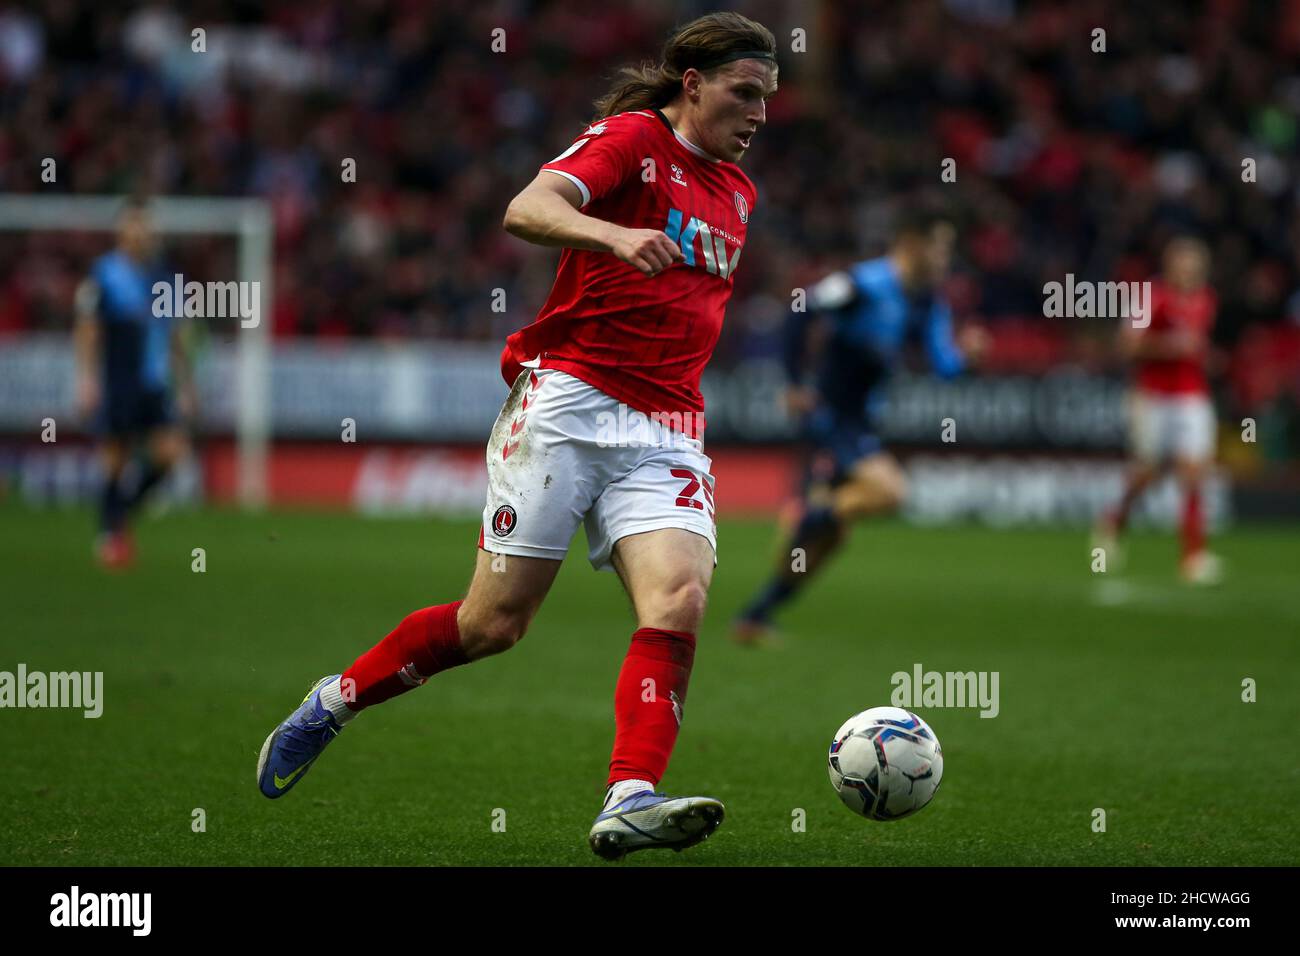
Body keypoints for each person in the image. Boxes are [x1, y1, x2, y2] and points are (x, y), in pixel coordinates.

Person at [256, 12, 779, 861]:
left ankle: (629, 796)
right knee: (492, 625)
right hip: (569, 403)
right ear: (693, 84)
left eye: (768, 99)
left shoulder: (739, 193)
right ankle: (336, 701)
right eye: (744, 92)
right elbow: (526, 208)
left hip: (668, 425)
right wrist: (612, 232)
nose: (758, 113)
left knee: (679, 597)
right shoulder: (631, 141)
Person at [733, 213, 986, 643]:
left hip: (861, 423)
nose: (947, 258)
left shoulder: (927, 303)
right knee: (889, 492)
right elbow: (801, 310)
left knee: (830, 540)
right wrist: (795, 384)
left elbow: (945, 368)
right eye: (941, 246)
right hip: (829, 418)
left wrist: (969, 358)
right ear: (911, 242)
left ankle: (755, 616)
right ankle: (810, 514)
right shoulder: (862, 285)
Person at [74, 199, 193, 569]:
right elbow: (89, 331)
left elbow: (174, 335)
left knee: (171, 455)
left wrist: (186, 384)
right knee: (116, 459)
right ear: (121, 232)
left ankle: (120, 516)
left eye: (145, 227)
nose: (141, 234)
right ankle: (110, 536)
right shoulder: (104, 275)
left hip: (154, 385)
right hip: (119, 380)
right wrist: (87, 379)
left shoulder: (166, 276)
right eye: (134, 226)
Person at [1095, 236, 1222, 583]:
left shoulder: (1206, 298)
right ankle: (1113, 521)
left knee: (1193, 471)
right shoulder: (1150, 295)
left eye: (1195, 266)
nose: (1189, 272)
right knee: (1146, 474)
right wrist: (1170, 346)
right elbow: (1127, 345)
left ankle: (1193, 556)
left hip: (1192, 394)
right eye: (1183, 264)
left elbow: (1197, 347)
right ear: (1169, 265)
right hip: (1152, 395)